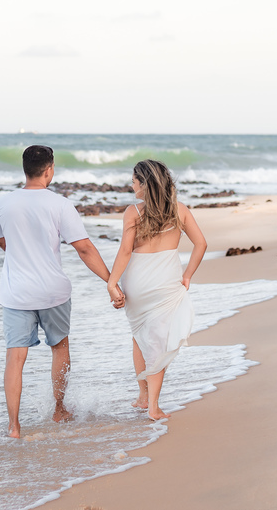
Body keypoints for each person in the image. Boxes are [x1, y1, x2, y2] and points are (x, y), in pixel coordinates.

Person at [0, 144, 115, 439]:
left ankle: (14, 426)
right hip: (52, 292)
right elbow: (84, 248)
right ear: (49, 170)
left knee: (14, 358)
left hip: (16, 293)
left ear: (25, 170)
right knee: (59, 347)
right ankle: (59, 410)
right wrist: (111, 282)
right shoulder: (60, 205)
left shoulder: (3, 203)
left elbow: (2, 241)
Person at [106, 159, 208, 421]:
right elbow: (201, 244)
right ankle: (153, 406)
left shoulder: (133, 212)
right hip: (166, 282)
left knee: (139, 336)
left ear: (144, 184)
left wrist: (112, 283)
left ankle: (143, 397)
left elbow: (125, 251)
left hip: (137, 284)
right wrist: (187, 275)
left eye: (134, 181)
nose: (131, 186)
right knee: (157, 342)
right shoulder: (180, 210)